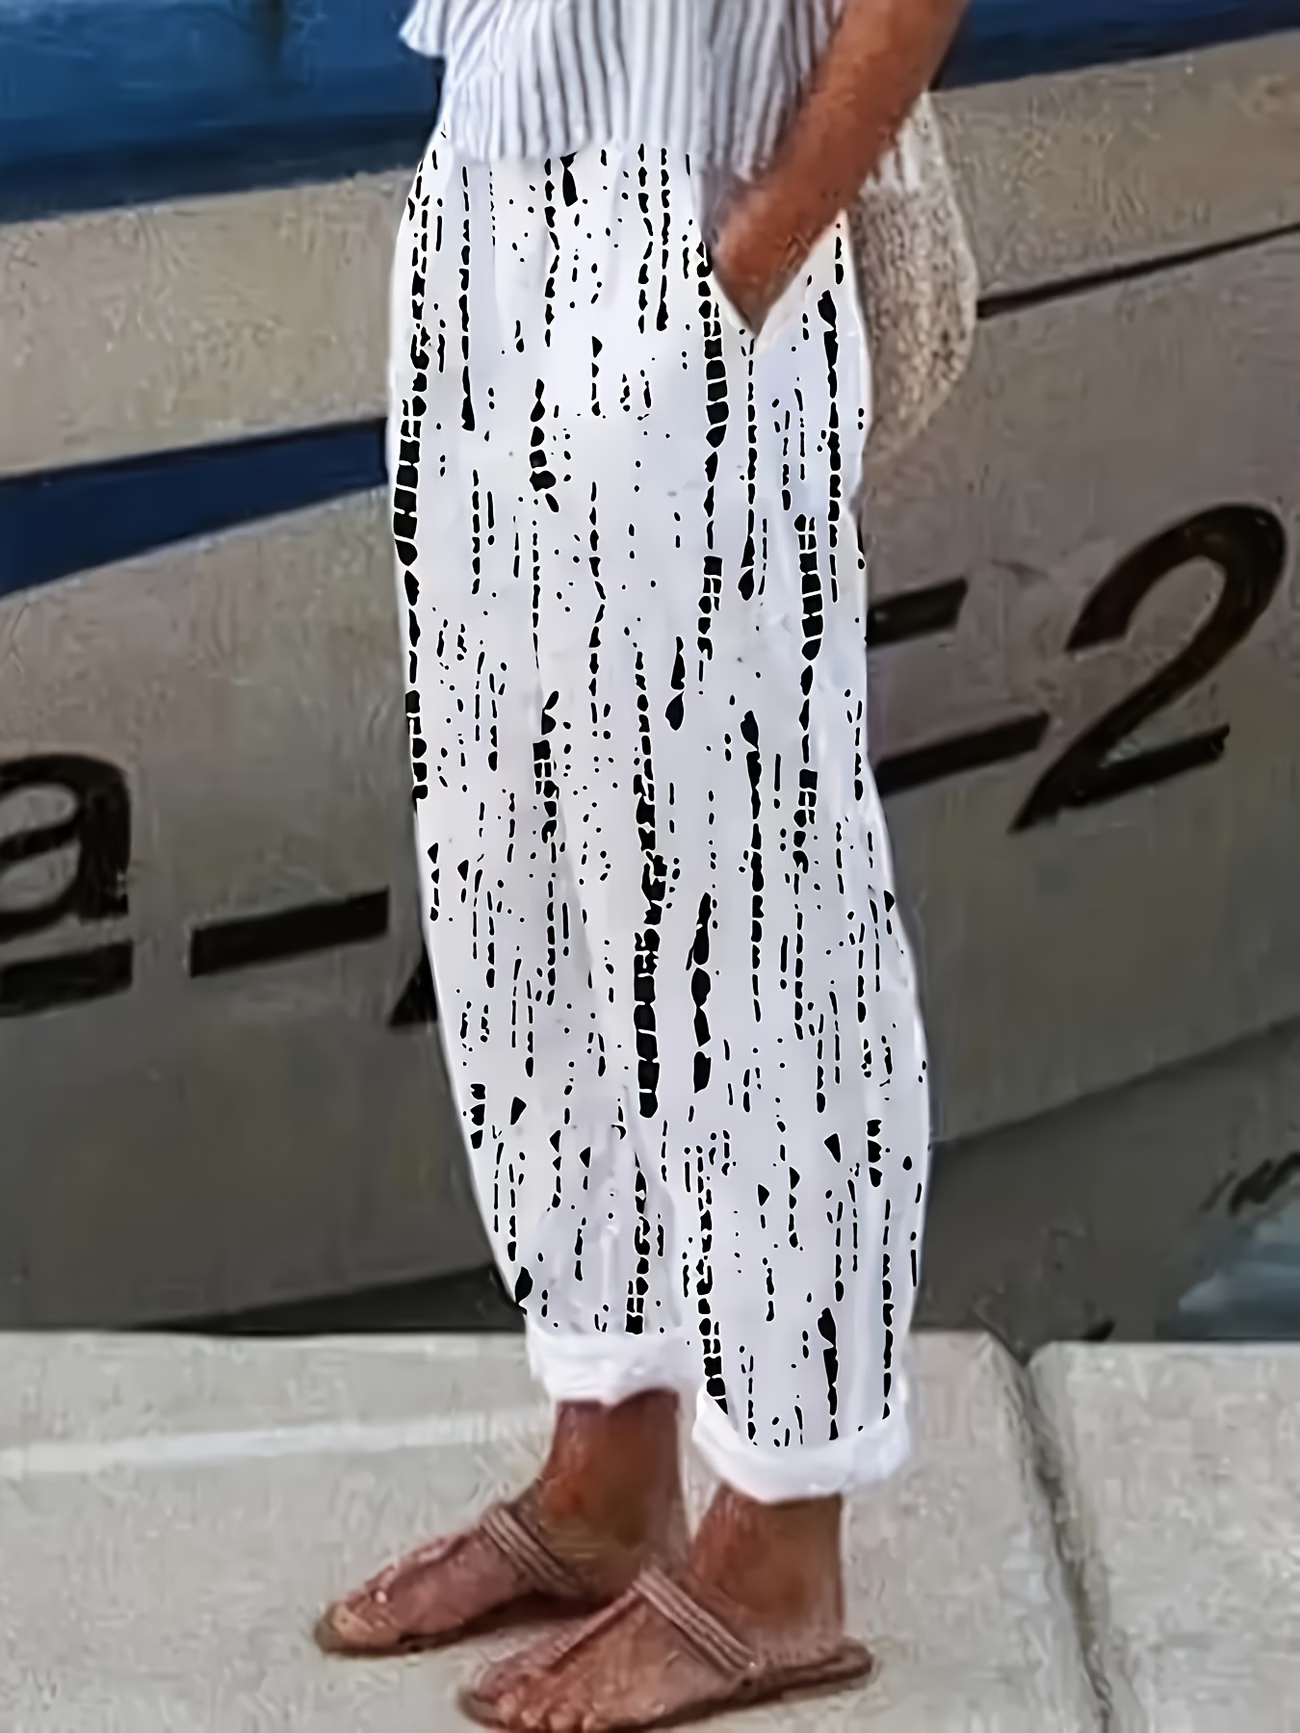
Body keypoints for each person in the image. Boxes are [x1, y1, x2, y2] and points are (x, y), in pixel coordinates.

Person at [317, 1, 965, 1725]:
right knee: (515, 876)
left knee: (746, 902)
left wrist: (748, 264)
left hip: (698, 208)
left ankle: (781, 1545)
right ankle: (605, 1465)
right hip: (488, 196)